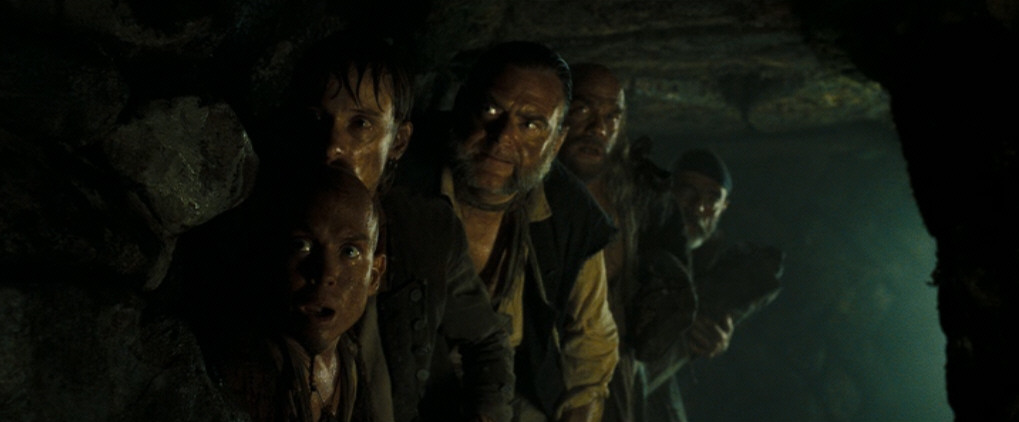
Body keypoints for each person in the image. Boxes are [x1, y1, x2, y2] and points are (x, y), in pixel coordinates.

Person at [265, 33, 515, 422]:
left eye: (360, 124)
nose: (332, 148)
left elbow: (485, 340)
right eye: (317, 120)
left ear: (398, 141)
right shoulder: (265, 228)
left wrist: (487, 413)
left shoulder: (427, 228)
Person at [399, 42, 619, 422]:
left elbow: (592, 340)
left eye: (531, 124)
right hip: (401, 376)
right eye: (491, 110)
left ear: (556, 142)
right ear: (462, 105)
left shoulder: (570, 212)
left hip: (507, 394)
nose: (502, 137)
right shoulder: (402, 174)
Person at [556, 63, 696, 422]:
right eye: (582, 109)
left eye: (612, 117)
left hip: (613, 371)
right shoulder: (526, 185)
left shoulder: (638, 198)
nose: (598, 128)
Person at [214, 166, 385, 422]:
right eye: (302, 245)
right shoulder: (240, 371)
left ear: (374, 275)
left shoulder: (349, 361)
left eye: (349, 252)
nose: (325, 272)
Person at [639, 149, 784, 422]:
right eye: (687, 191)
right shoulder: (636, 237)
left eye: (712, 198)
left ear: (723, 207)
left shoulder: (713, 269)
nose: (697, 207)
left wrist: (714, 341)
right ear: (668, 190)